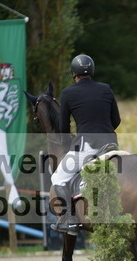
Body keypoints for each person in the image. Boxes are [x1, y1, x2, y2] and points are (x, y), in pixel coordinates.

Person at [51, 54, 121, 235]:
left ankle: (69, 220)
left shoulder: (68, 93)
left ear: (73, 73)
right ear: (92, 71)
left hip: (87, 146)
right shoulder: (106, 88)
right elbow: (116, 120)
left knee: (58, 178)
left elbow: (63, 128)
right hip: (111, 144)